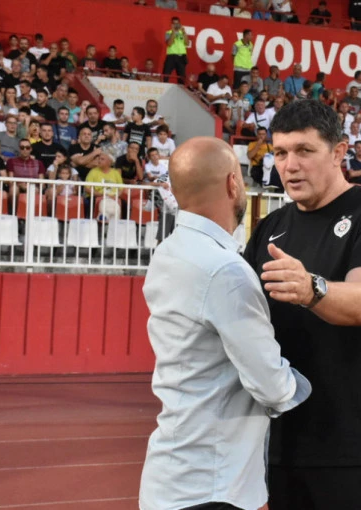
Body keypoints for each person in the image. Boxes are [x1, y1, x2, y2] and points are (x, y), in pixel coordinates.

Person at [243, 100, 361, 510]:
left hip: (358, 445)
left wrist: (310, 288)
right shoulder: (269, 227)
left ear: (338, 153)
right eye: (281, 153)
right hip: (283, 445)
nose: (290, 165)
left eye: (304, 150)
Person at [139, 136, 310, 510]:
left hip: (172, 475)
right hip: (211, 484)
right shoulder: (226, 270)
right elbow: (272, 386)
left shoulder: (169, 252)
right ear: (233, 183)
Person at [163, 17, 189, 84]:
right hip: (171, 56)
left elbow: (187, 43)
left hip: (181, 56)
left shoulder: (182, 33)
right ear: (171, 24)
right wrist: (173, 32)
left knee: (181, 77)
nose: (176, 25)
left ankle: (181, 88)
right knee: (166, 75)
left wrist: (184, 32)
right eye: (174, 23)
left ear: (180, 24)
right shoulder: (168, 33)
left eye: (177, 23)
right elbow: (169, 43)